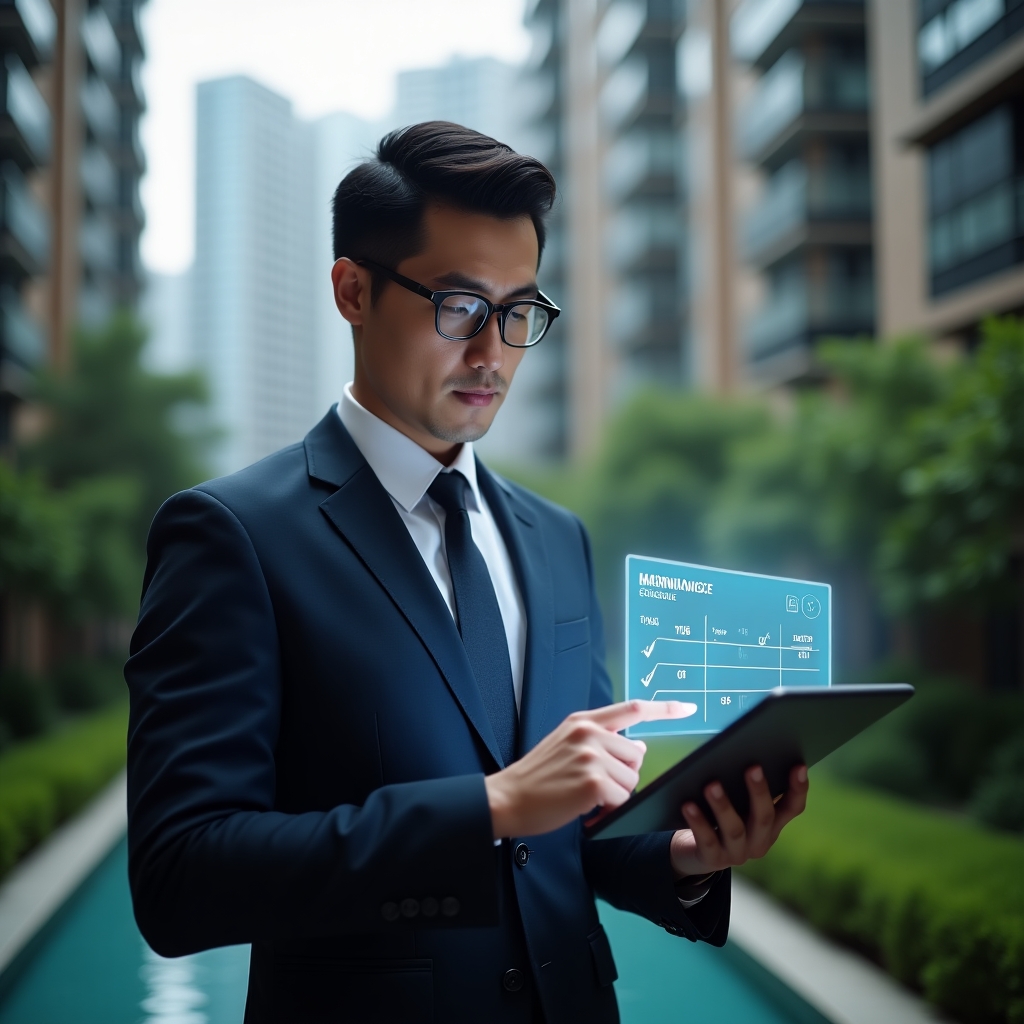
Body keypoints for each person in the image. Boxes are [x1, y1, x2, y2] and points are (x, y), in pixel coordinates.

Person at [125, 122, 808, 1024]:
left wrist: (686, 853)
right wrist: (485, 806)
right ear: (352, 291)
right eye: (458, 306)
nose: (493, 353)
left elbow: (567, 828)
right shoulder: (232, 536)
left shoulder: (557, 537)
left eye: (520, 311)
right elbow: (181, 875)